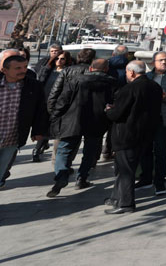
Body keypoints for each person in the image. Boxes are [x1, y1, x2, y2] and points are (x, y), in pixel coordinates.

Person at [46, 58, 116, 197]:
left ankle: (61, 176)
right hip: (97, 121)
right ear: (106, 69)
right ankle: (81, 178)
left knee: (64, 149)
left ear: (90, 68)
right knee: (90, 151)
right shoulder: (113, 83)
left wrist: (55, 115)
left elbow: (64, 99)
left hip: (73, 118)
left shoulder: (77, 80)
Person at [105, 61, 163, 213]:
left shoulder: (130, 88)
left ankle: (126, 203)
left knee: (125, 170)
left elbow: (118, 113)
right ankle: (116, 197)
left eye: (126, 71)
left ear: (131, 72)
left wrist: (109, 110)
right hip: (145, 133)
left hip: (127, 134)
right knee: (125, 167)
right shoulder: (155, 87)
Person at [137, 51, 166, 196]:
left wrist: (165, 96)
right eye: (161, 60)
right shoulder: (147, 77)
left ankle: (160, 182)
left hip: (163, 120)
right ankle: (145, 179)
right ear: (153, 62)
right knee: (145, 150)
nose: (164, 63)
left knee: (161, 151)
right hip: (146, 120)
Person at [0, 52, 48, 187]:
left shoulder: (33, 86)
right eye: (18, 68)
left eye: (24, 67)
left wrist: (37, 130)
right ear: (4, 70)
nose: (23, 71)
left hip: (12, 138)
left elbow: (40, 110)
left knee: (1, 171)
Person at [30, 43, 62, 162]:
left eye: (57, 51)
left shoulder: (67, 65)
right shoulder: (44, 62)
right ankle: (38, 148)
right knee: (43, 125)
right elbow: (38, 77)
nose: (54, 53)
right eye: (52, 51)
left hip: (57, 101)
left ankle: (39, 147)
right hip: (43, 98)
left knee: (48, 126)